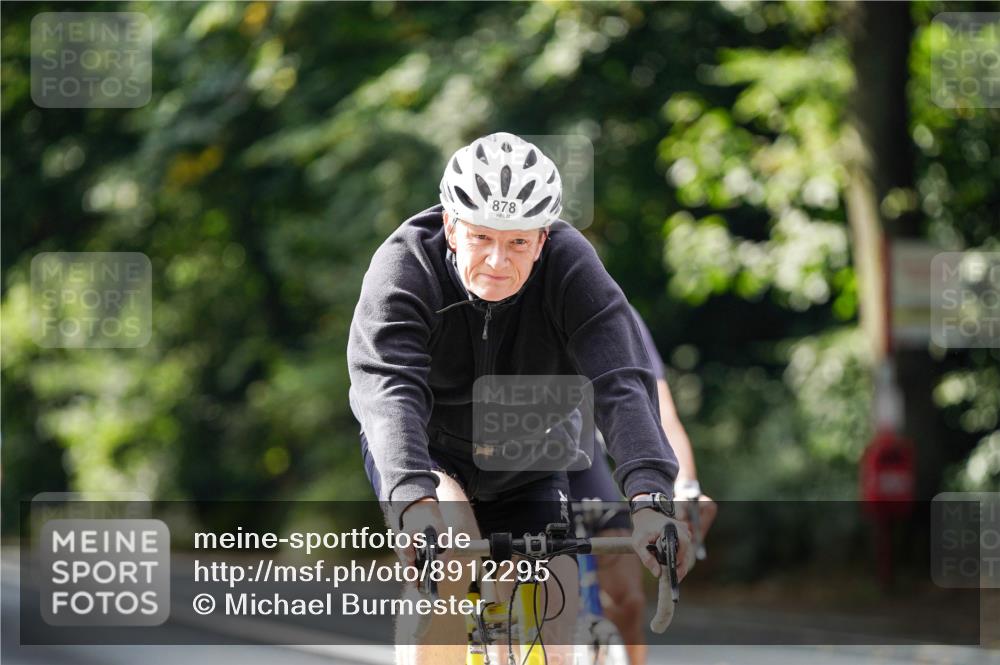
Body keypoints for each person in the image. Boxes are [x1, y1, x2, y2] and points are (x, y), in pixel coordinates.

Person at [347, 132, 693, 664]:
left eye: (517, 243)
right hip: (428, 446)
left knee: (556, 614)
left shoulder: (572, 266)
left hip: (526, 448)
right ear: (450, 227)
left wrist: (650, 497)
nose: (497, 262)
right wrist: (411, 499)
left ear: (543, 239)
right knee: (450, 553)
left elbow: (622, 381)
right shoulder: (405, 266)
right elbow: (387, 388)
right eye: (481, 237)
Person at [569, 305, 717, 665]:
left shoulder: (606, 307)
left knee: (626, 600)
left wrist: (686, 488)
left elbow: (656, 411)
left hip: (578, 458)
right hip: (494, 457)